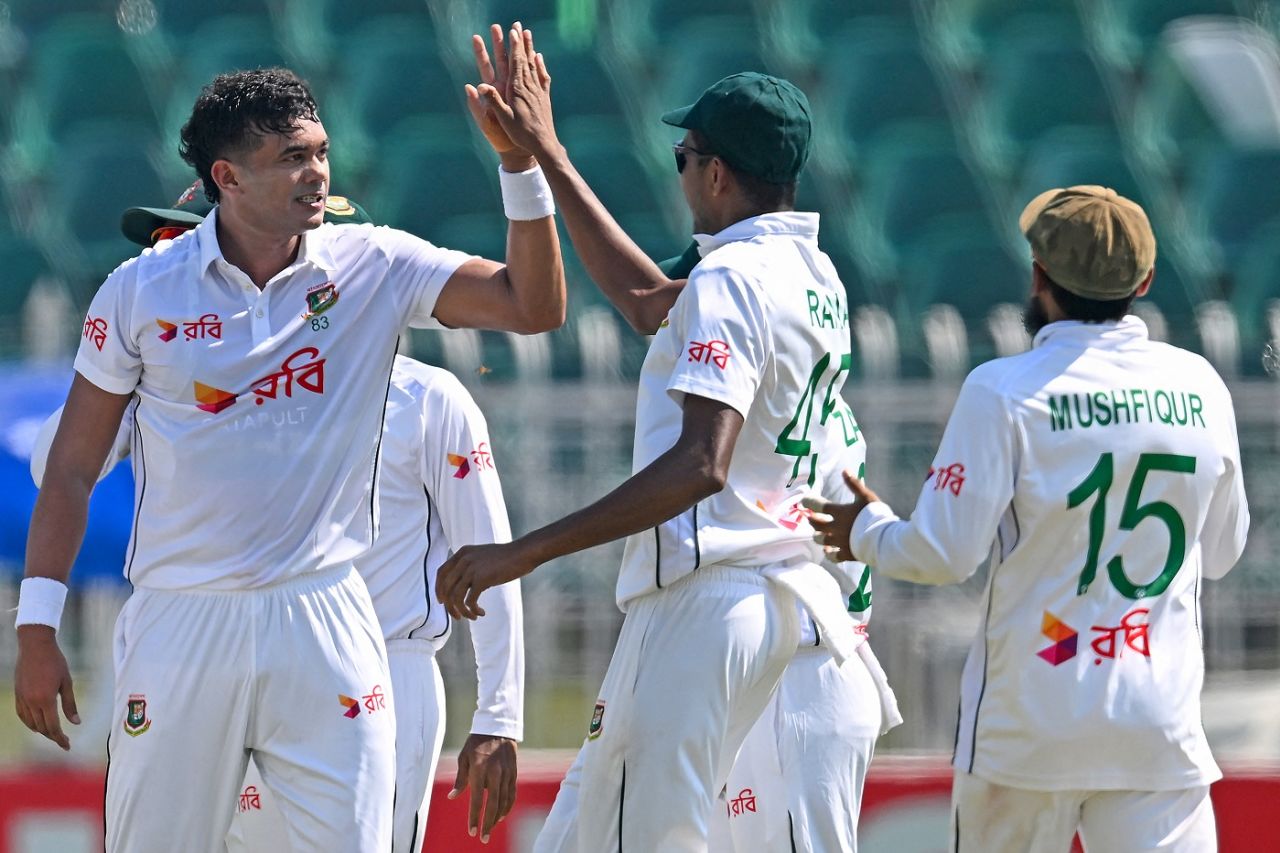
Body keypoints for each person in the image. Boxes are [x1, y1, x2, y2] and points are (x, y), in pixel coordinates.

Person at [15, 52, 562, 853]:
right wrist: (37, 627)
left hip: (327, 615)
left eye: (321, 152)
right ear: (227, 178)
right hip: (183, 616)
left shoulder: (373, 262)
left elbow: (533, 303)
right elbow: (67, 466)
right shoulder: (141, 289)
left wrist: (520, 164)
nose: (317, 174)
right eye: (292, 158)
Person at [438, 50, 864, 850]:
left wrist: (524, 552)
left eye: (684, 157)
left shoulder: (733, 279)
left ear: (716, 174)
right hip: (781, 594)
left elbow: (702, 462)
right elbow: (643, 303)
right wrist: (545, 157)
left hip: (708, 600)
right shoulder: (814, 274)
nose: (680, 174)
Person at [808, 186, 1250, 853]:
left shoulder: (1002, 389)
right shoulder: (1200, 385)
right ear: (1147, 281)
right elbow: (1222, 552)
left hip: (1029, 723)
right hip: (1156, 723)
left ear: (1040, 276)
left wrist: (864, 529)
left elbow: (941, 554)